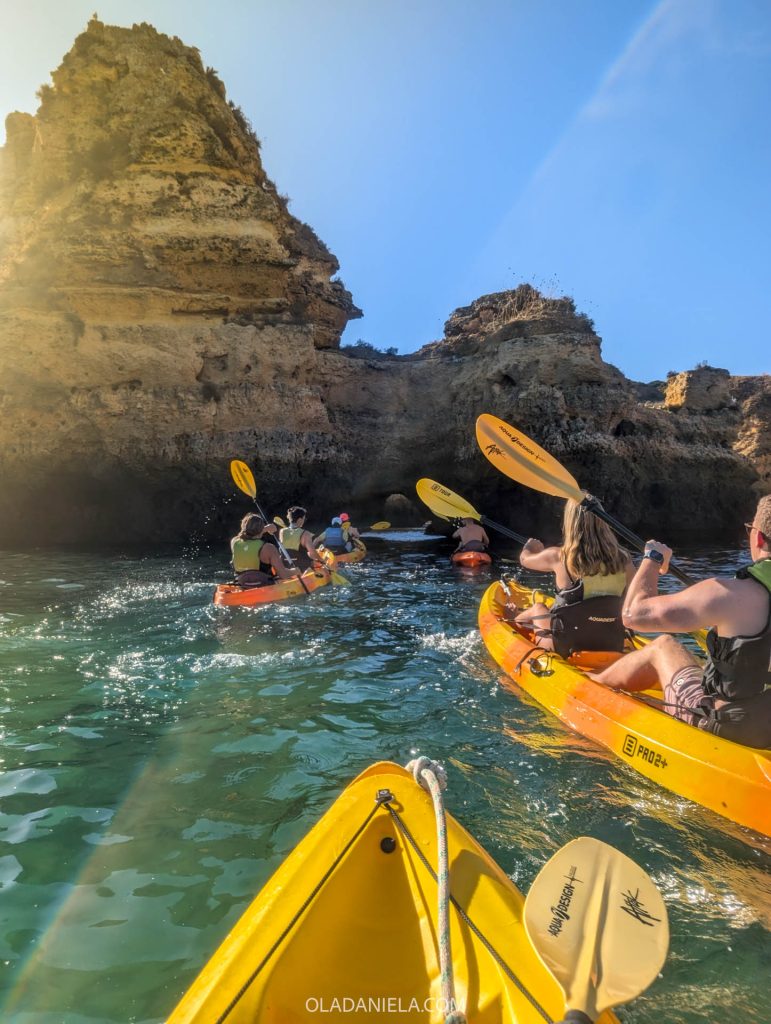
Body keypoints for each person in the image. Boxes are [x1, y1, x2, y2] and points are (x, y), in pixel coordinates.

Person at [591, 495, 771, 749]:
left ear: (759, 537)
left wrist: (652, 559)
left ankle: (590, 688)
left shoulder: (727, 594)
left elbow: (633, 615)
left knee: (663, 646)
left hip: (731, 728)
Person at [512, 500, 635, 656]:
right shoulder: (624, 559)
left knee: (538, 608)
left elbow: (525, 560)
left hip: (564, 647)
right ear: (603, 522)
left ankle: (514, 618)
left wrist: (530, 547)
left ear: (570, 523)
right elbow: (635, 598)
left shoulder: (558, 556)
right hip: (612, 644)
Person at [230, 513, 298, 587]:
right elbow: (283, 575)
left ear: (243, 527)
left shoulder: (234, 542)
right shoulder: (269, 548)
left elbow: (246, 535)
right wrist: (295, 571)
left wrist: (265, 529)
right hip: (264, 585)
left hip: (242, 583)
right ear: (261, 528)